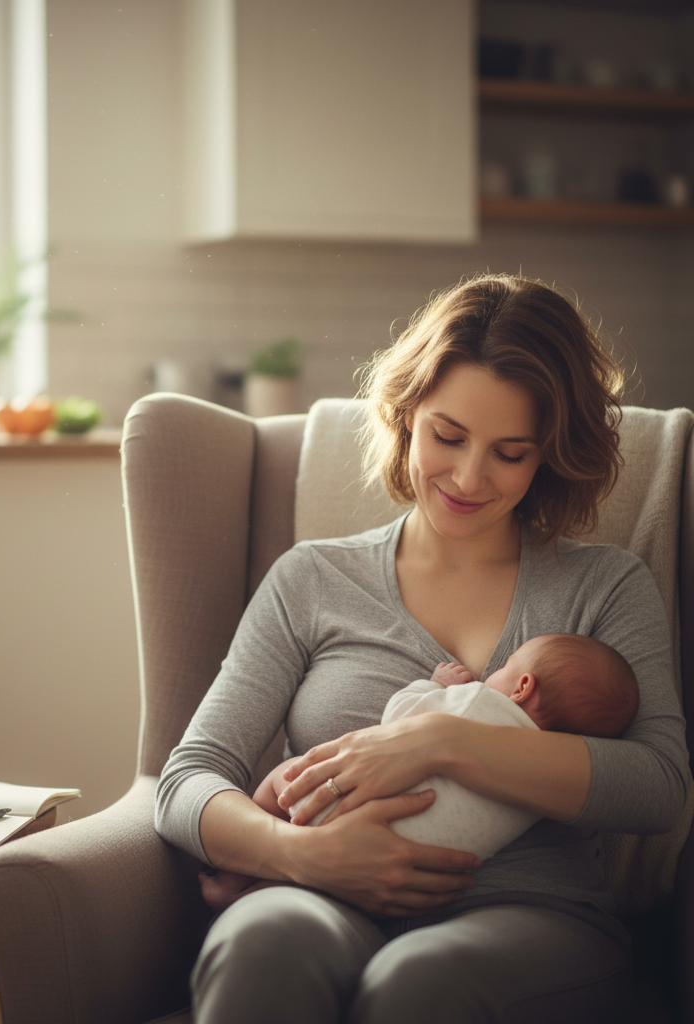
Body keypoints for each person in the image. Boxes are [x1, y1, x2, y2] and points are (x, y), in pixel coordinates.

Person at [154, 273, 691, 1023]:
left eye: (510, 452)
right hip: (320, 894)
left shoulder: (603, 586)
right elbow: (186, 779)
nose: (469, 477)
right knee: (263, 944)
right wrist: (298, 856)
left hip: (529, 917)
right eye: (448, 436)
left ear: (550, 457)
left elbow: (659, 786)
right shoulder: (312, 578)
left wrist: (443, 740)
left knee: (420, 982)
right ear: (405, 416)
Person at [200, 633, 639, 908]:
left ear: (523, 687)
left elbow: (399, 723)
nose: (494, 673)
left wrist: (436, 687)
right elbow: (197, 766)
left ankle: (235, 881)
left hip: (343, 816)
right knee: (309, 895)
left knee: (289, 775)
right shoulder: (545, 783)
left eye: (505, 667)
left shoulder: (477, 702)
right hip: (420, 884)